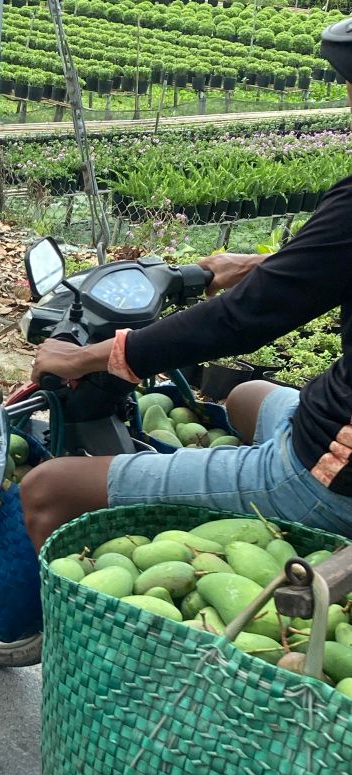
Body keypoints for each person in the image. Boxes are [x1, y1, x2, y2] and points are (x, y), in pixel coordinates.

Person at [21, 17, 352, 553]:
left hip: (327, 476)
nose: (345, 92)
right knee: (245, 398)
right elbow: (317, 268)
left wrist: (96, 357)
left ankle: (67, 635)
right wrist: (253, 265)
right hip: (327, 422)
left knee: (47, 489)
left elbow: (242, 319)